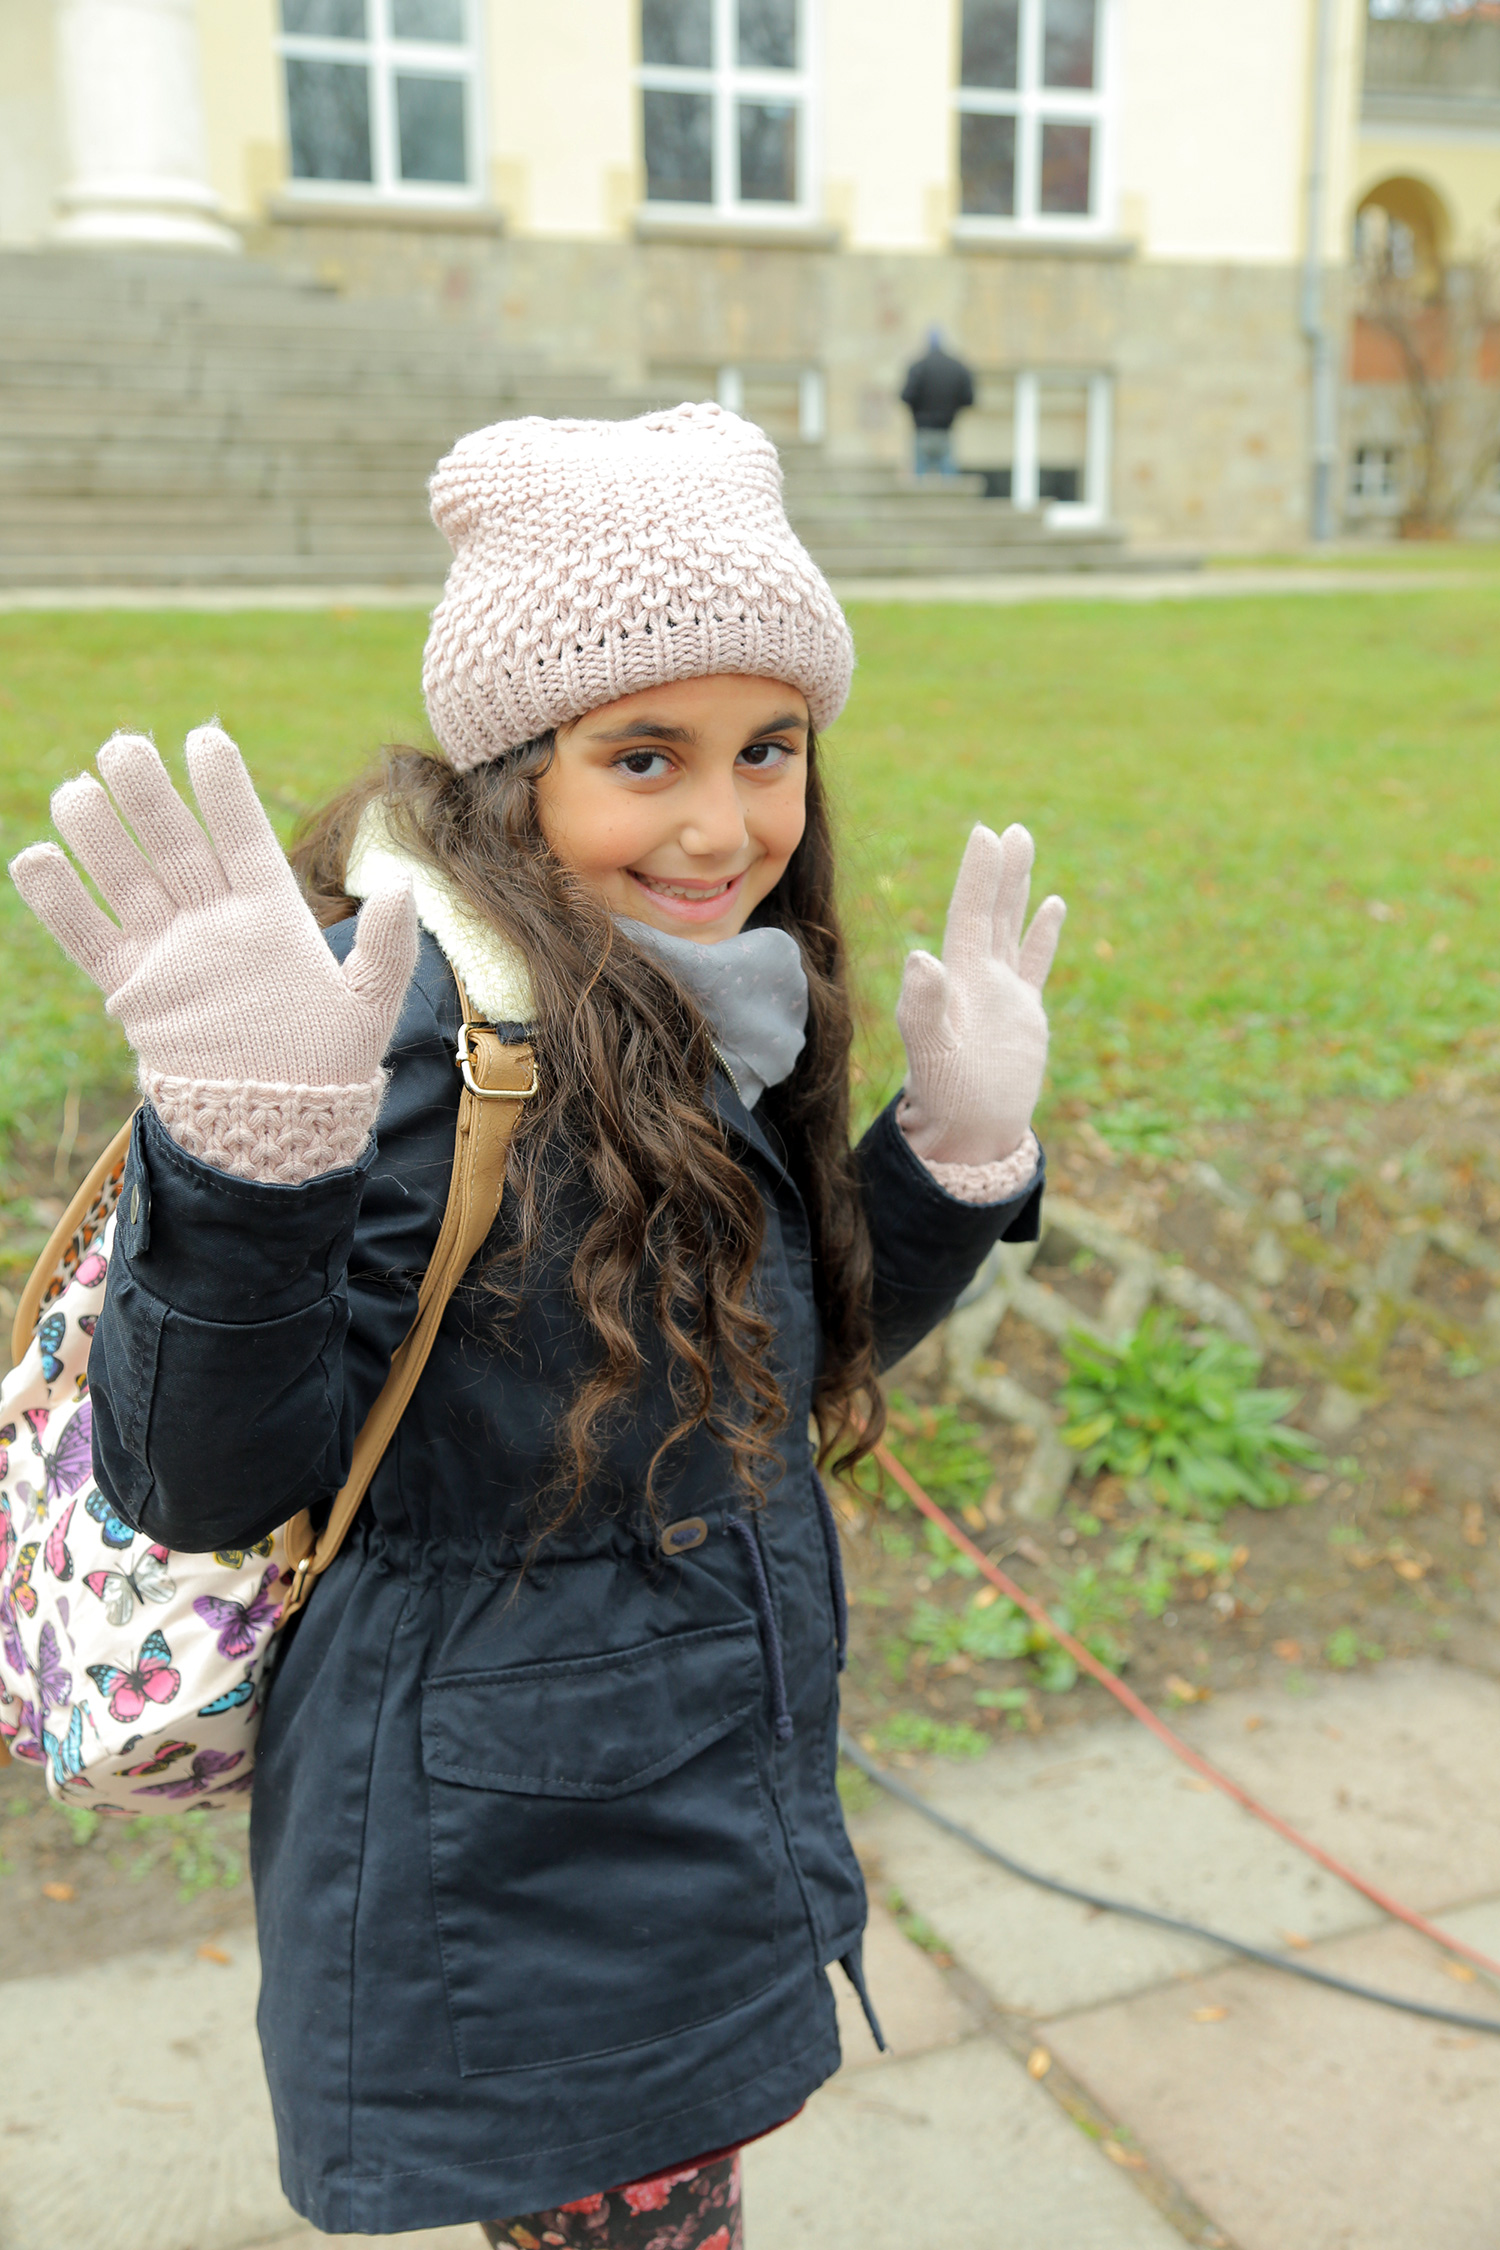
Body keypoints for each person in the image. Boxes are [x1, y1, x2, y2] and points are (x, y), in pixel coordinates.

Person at [9, 402, 1065, 2247]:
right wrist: (247, 1165)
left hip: (671, 1820)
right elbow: (199, 1473)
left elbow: (751, 1376)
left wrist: (948, 1160)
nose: (724, 823)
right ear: (515, 770)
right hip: (524, 1886)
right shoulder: (439, 1051)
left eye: (770, 749)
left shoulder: (702, 1009)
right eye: (642, 756)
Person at [900, 327, 975, 476]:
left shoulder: (918, 367)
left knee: (919, 481)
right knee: (949, 482)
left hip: (922, 431)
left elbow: (906, 396)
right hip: (946, 430)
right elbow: (969, 398)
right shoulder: (957, 368)